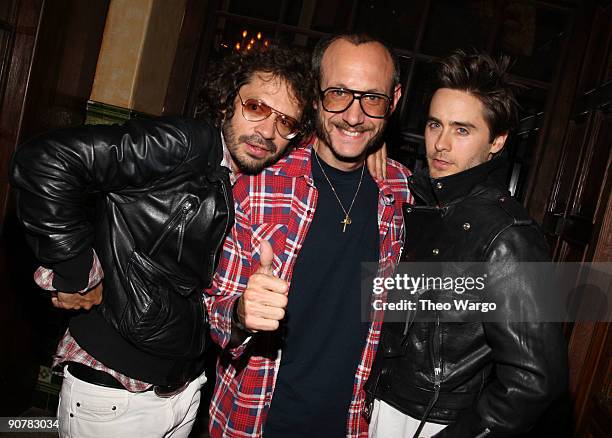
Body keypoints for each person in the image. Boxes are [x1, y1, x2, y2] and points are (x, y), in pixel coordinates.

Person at [9, 45, 314, 438]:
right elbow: (44, 161)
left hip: (182, 392)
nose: (268, 131)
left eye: (286, 121)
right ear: (226, 102)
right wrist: (75, 272)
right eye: (255, 106)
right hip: (115, 392)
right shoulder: (185, 144)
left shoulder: (240, 177)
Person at [206, 33, 411, 437]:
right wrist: (243, 316)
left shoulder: (401, 192)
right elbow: (213, 312)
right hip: (254, 423)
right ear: (314, 94)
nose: (354, 116)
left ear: (395, 100)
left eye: (372, 98)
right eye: (338, 93)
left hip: (354, 426)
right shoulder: (259, 181)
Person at [365, 50, 569, 438]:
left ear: (497, 141)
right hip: (386, 405)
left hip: (435, 423)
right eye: (434, 125)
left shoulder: (509, 234)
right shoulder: (426, 202)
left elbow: (536, 378)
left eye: (462, 130)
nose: (441, 144)